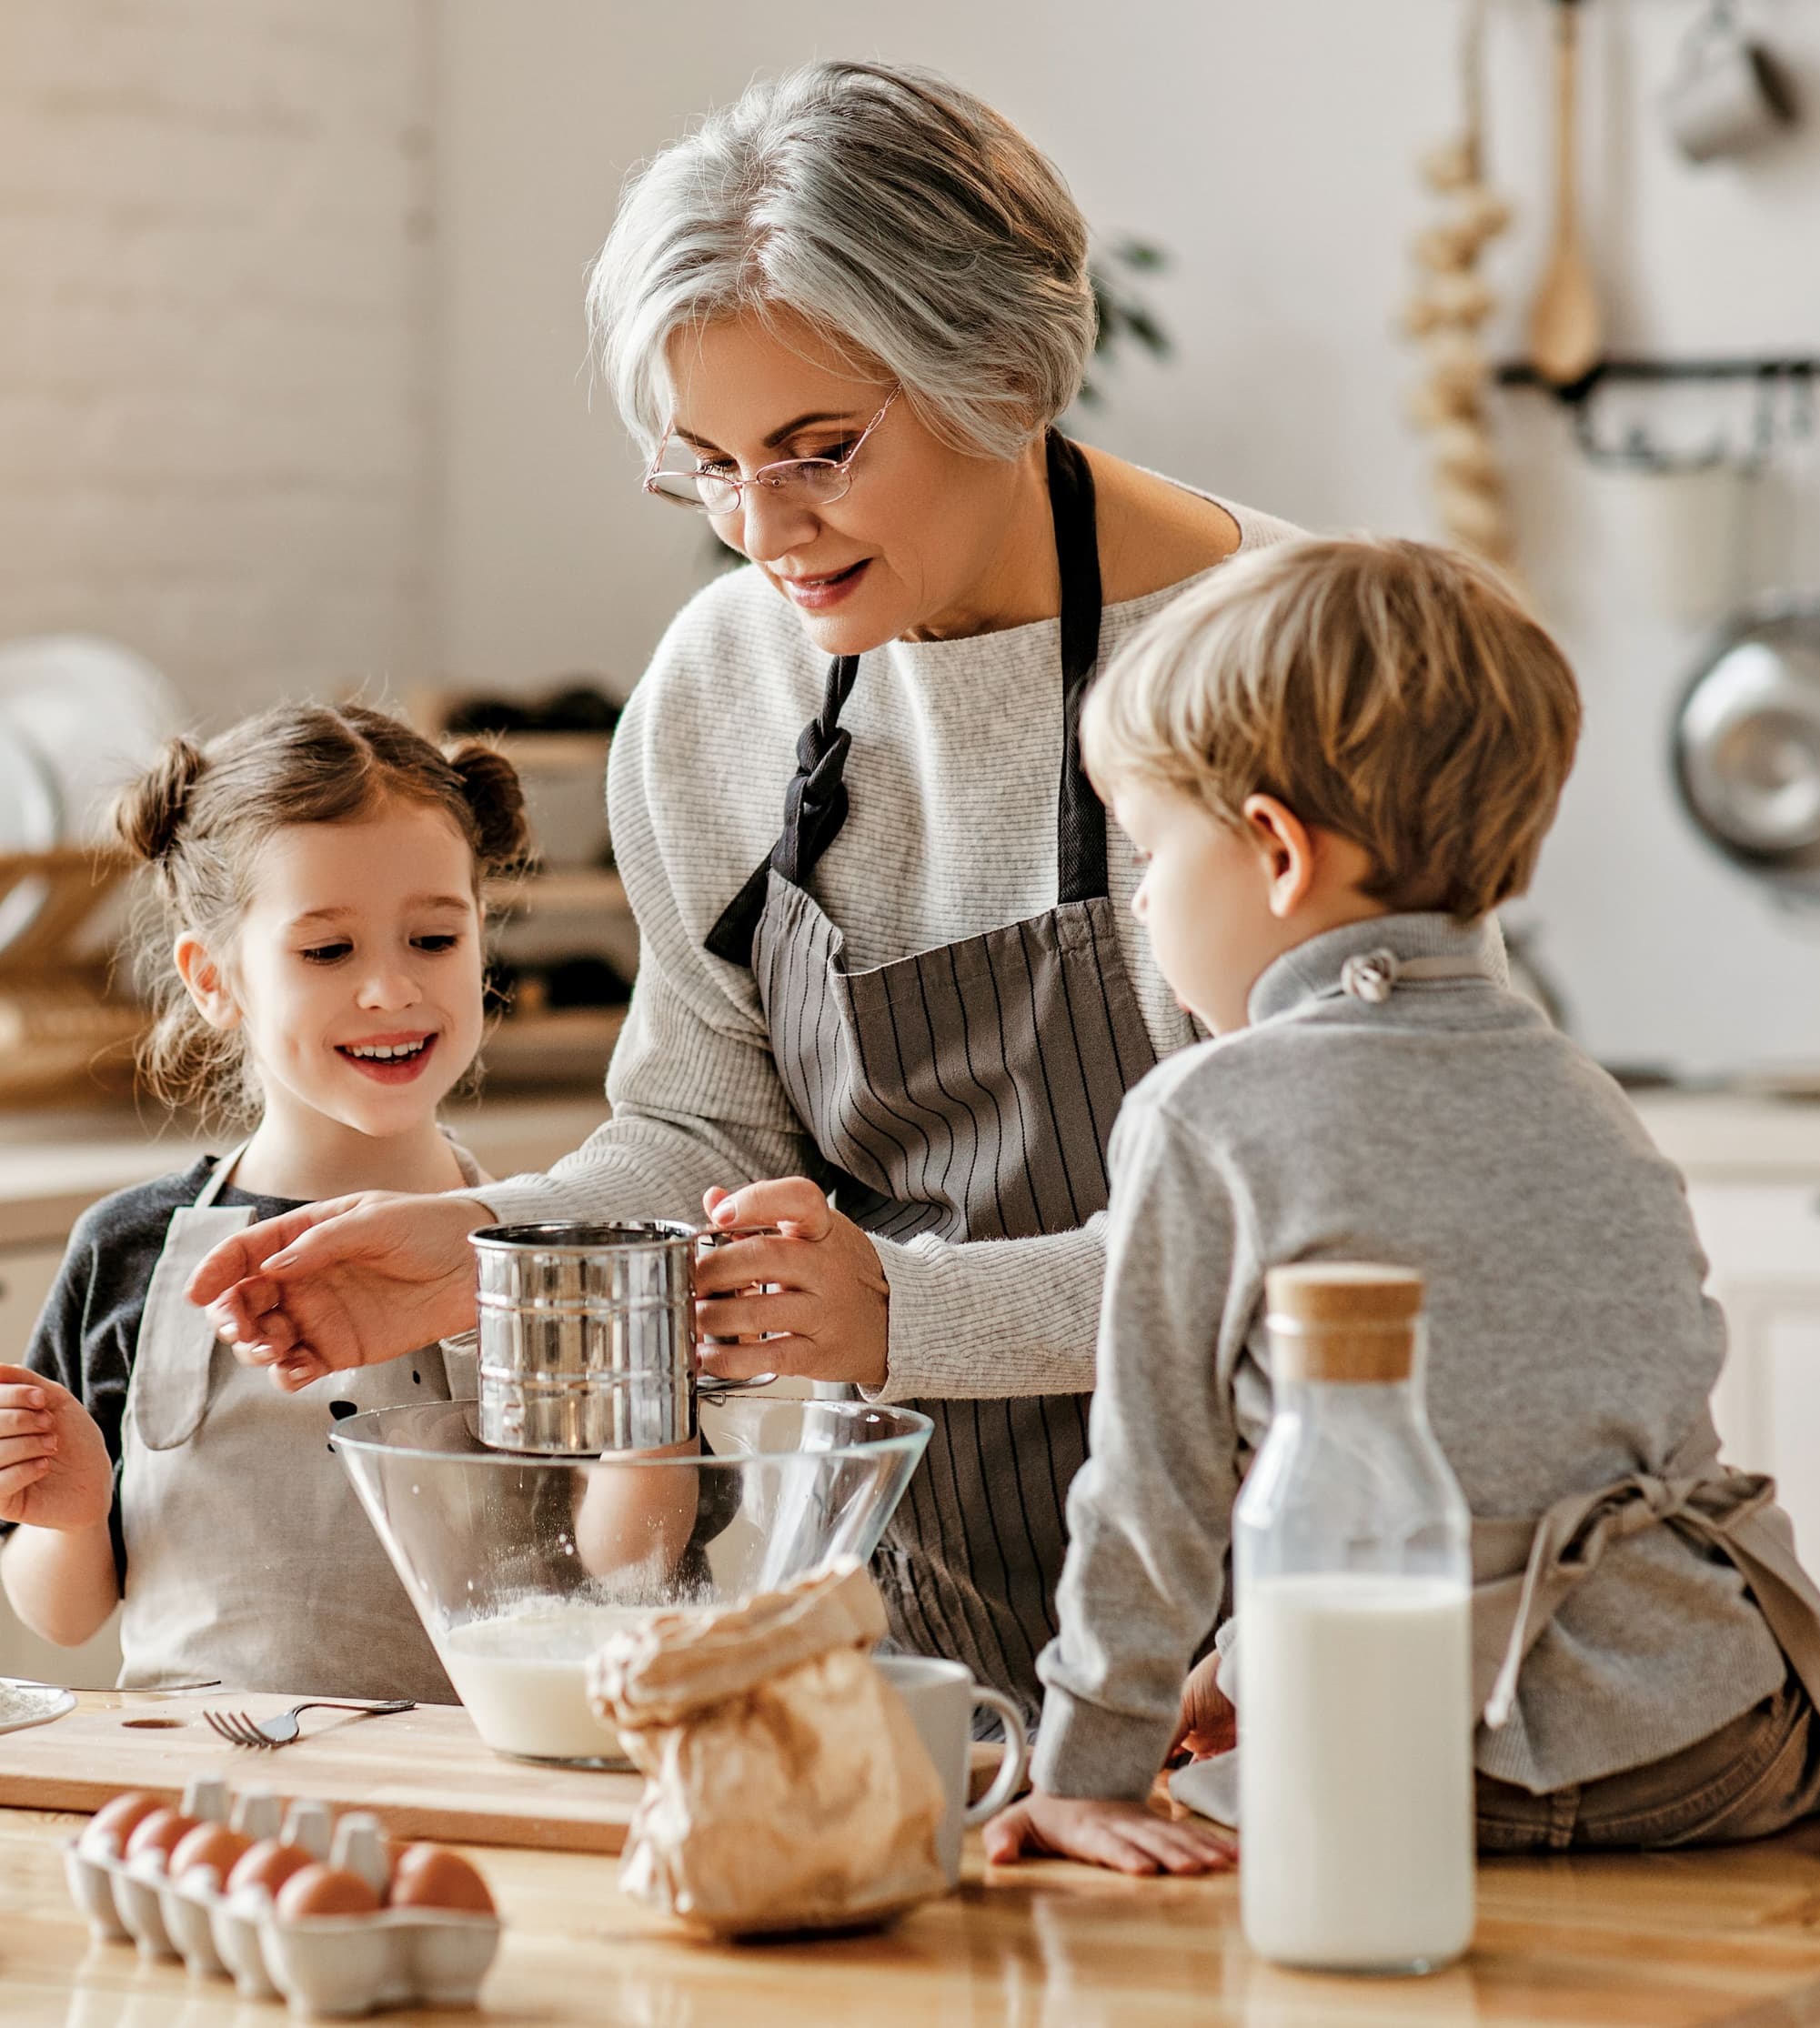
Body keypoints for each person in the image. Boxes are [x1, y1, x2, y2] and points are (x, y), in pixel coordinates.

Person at [182, 60, 1303, 1725]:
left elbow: (1329, 1226)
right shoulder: (726, 684)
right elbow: (706, 1137)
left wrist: (902, 1312)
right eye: (704, 466)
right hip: (908, 1623)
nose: (763, 532)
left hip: (1268, 1611)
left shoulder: (1282, 653)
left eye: (819, 452)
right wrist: (491, 1249)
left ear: (1000, 365)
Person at [985, 537, 1820, 1874]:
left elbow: (1153, 1495)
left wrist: (1084, 1773)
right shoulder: (1579, 1089)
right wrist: (1252, 1655)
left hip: (1429, 1766)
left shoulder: (1207, 1112)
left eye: (1151, 856)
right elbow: (1559, 1445)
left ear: (1276, 852)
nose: (1149, 904)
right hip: (1731, 1736)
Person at [0, 705, 528, 1700]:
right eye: (327, 952)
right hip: (198, 1798)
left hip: (468, 1793)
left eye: (434, 937)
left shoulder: (540, 1247)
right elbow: (65, 1613)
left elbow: (623, 1564)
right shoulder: (128, 1247)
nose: (392, 989)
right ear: (216, 980)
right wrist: (71, 1509)